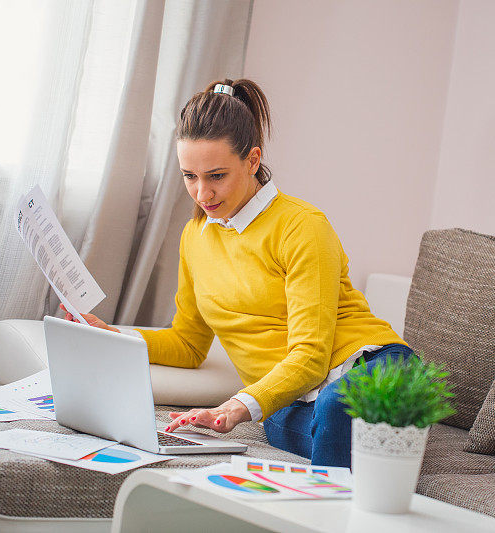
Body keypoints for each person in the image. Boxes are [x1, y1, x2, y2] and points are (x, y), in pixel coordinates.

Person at [62, 79, 412, 467]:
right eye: (189, 176)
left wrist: (234, 408)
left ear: (252, 160)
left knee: (336, 408)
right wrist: (113, 336)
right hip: (288, 399)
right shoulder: (195, 236)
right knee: (320, 423)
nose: (201, 194)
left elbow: (311, 358)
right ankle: (384, 457)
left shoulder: (301, 226)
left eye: (216, 176)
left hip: (371, 366)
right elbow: (188, 344)